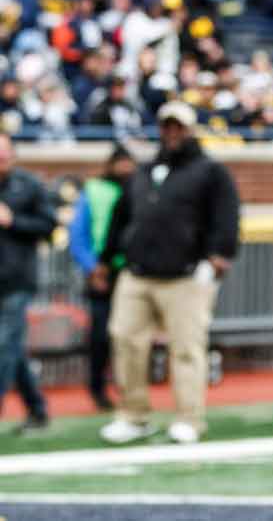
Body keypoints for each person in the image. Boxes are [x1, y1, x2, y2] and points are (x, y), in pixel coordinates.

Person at [99, 101, 240, 445]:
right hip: (137, 273)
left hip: (187, 275)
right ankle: (134, 416)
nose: (172, 132)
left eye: (179, 126)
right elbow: (121, 218)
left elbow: (227, 215)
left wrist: (219, 256)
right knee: (125, 339)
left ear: (191, 130)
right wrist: (106, 259)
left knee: (187, 348)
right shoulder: (144, 171)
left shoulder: (210, 171)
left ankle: (189, 419)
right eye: (167, 126)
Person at [67, 142, 137, 411]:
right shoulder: (94, 190)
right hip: (102, 272)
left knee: (130, 334)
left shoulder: (138, 188)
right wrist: (92, 267)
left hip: (131, 271)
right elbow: (78, 235)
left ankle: (128, 388)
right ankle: (97, 388)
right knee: (100, 335)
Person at [0, 132, 57, 433]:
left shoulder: (29, 185)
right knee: (13, 350)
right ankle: (37, 410)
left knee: (3, 345)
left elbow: (49, 225)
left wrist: (13, 221)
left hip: (17, 279)